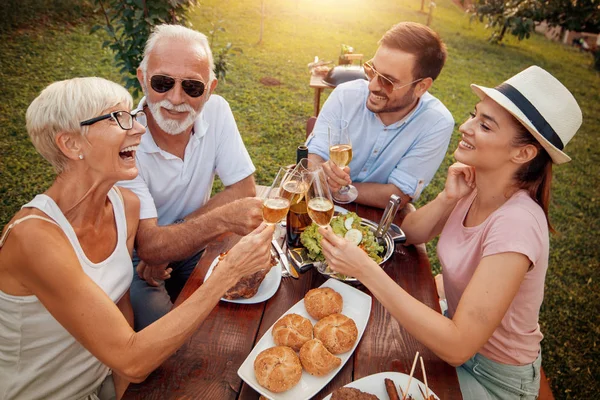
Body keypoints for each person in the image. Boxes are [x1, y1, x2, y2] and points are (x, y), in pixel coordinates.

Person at [0, 77, 274, 400]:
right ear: (71, 145)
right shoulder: (33, 238)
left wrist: (115, 391)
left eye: (132, 116)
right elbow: (133, 360)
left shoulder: (125, 207)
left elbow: (122, 310)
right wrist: (228, 272)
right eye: (119, 118)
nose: (140, 129)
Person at [317, 66, 581, 399]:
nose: (466, 127)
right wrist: (448, 198)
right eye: (474, 116)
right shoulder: (477, 185)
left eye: (484, 125)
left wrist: (364, 269)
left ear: (524, 152)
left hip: (493, 378)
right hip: (451, 338)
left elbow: (457, 346)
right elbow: (410, 232)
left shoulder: (517, 223)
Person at [116, 24, 263, 330]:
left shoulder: (217, 111)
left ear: (210, 90)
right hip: (136, 260)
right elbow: (147, 246)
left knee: (240, 315)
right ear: (142, 79)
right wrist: (163, 245)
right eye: (162, 82)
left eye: (192, 87)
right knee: (167, 339)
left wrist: (173, 241)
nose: (176, 97)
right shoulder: (124, 141)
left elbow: (244, 188)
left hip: (193, 244)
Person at [307, 22, 454, 209]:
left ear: (421, 86)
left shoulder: (437, 123)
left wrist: (342, 188)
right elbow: (314, 157)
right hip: (320, 204)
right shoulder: (345, 95)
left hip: (376, 221)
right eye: (371, 70)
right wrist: (321, 173)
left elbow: (399, 195)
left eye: (387, 81)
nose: (372, 86)